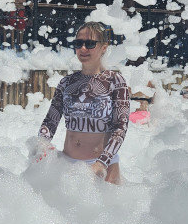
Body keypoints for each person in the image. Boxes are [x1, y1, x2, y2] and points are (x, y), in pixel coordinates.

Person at [36, 21, 130, 185]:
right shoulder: (66, 83)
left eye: (90, 43)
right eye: (78, 43)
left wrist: (101, 163)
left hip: (103, 167)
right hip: (67, 166)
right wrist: (41, 145)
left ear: (104, 47)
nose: (83, 48)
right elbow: (51, 121)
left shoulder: (115, 81)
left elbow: (120, 127)